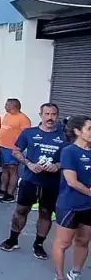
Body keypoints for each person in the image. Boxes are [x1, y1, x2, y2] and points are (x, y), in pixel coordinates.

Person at [0, 103, 66, 259]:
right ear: (41, 115)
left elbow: (70, 158)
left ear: (57, 116)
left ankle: (38, 244)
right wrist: (29, 163)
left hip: (51, 183)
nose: (50, 117)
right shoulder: (29, 133)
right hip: (30, 180)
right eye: (47, 114)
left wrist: (57, 165)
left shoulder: (64, 136)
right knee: (21, 210)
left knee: (45, 213)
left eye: (53, 114)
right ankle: (13, 239)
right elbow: (16, 151)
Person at [52, 115, 91, 280]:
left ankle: (75, 273)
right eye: (89, 129)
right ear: (77, 131)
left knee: (83, 241)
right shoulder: (69, 151)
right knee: (63, 243)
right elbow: (72, 181)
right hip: (70, 205)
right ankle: (59, 276)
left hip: (88, 206)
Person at [0, 98, 32, 202]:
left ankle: (10, 194)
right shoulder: (7, 115)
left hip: (12, 148)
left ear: (13, 106)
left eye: (6, 104)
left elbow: (26, 135)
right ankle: (2, 190)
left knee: (12, 169)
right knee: (4, 169)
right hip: (2, 147)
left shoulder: (23, 119)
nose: (5, 106)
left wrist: (18, 148)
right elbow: (3, 129)